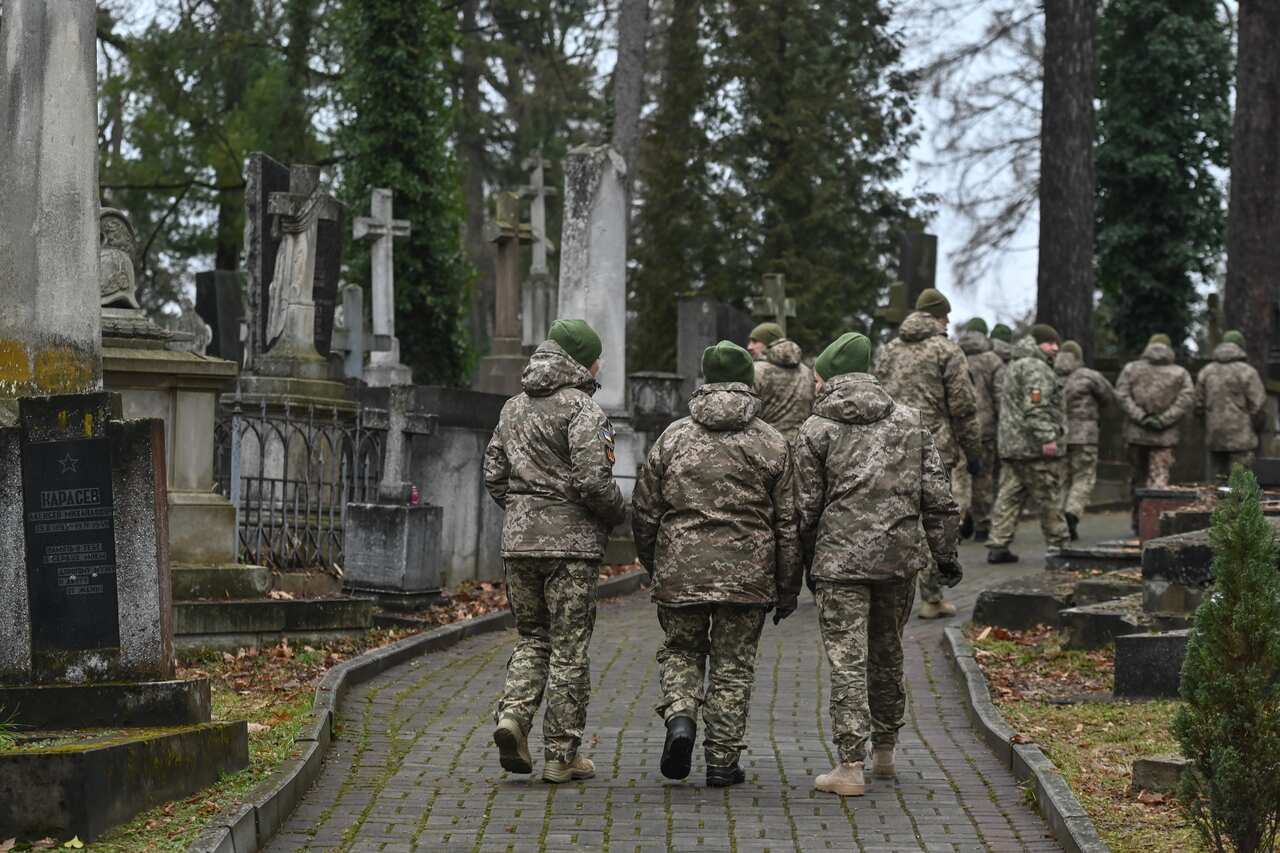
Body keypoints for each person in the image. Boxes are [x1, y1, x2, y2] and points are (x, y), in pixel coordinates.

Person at [632, 340, 803, 788]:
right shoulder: (771, 442)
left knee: (682, 650)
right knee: (733, 666)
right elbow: (788, 523)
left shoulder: (673, 437)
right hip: (747, 576)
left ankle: (682, 715)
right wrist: (787, 588)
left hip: (681, 570)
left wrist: (653, 562)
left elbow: (645, 509)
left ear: (703, 379)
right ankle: (723, 762)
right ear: (750, 380)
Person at [797, 332, 960, 797]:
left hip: (839, 562)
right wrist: (945, 557)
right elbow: (939, 499)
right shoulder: (911, 422)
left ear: (827, 375)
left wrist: (800, 563)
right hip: (898, 560)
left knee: (848, 661)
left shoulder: (816, 429)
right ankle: (886, 750)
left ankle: (850, 765)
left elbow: (803, 508)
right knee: (888, 650)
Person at [483, 319, 627, 783]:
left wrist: (524, 510)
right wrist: (613, 514)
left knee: (531, 637)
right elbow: (592, 480)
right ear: (584, 360)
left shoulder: (512, 408)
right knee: (568, 649)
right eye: (598, 357)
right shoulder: (583, 409)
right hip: (572, 547)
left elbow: (494, 474)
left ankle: (514, 717)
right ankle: (561, 755)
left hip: (520, 542)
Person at [874, 288, 981, 619]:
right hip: (936, 449)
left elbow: (876, 395)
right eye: (946, 317)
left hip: (892, 447)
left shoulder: (889, 350)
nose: (948, 323)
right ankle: (931, 597)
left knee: (895, 520)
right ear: (939, 317)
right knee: (936, 522)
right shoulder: (946, 351)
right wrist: (973, 450)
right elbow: (963, 407)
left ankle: (888, 595)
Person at [986, 325, 1069, 563]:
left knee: (1010, 494)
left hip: (1012, 445)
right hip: (1032, 448)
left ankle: (998, 544)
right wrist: (1048, 437)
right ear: (1036, 343)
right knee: (1048, 496)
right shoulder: (1037, 368)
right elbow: (1036, 407)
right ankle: (1059, 546)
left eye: (1057, 343)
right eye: (1050, 343)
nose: (1055, 348)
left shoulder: (1015, 364)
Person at [1115, 333, 1194, 531]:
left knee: (1137, 479)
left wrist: (1141, 417)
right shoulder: (1180, 373)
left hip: (1136, 435)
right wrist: (1163, 419)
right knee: (1158, 480)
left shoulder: (1131, 369)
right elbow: (1185, 400)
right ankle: (1154, 524)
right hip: (1164, 437)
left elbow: (1122, 396)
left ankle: (1136, 521)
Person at [1054, 341, 1114, 540]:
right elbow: (1108, 396)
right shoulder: (1089, 376)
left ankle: (1058, 521)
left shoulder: (1049, 376)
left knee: (1061, 480)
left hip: (1058, 436)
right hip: (1085, 436)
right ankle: (1072, 513)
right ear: (1078, 357)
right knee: (1084, 477)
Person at [1195, 330, 1266, 480]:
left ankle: (1214, 503)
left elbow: (1198, 405)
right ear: (1241, 346)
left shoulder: (1206, 371)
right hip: (1242, 439)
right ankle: (1237, 503)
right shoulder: (1248, 372)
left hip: (1215, 436)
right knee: (1240, 486)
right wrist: (1256, 428)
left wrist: (1208, 425)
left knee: (1215, 485)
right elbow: (1258, 405)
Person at [956, 317, 1003, 542]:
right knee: (983, 476)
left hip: (957, 427)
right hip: (985, 429)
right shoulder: (992, 360)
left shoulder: (955, 355)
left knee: (959, 476)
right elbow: (1000, 396)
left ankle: (959, 518)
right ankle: (982, 524)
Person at [746, 322, 815, 441]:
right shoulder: (807, 372)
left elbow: (746, 413)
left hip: (767, 447)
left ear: (770, 343)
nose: (749, 347)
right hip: (802, 445)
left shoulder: (757, 371)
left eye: (755, 341)